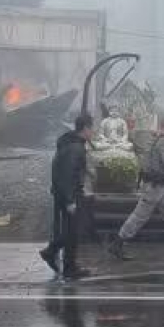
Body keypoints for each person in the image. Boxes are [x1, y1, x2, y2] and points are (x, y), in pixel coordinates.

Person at [108, 116, 164, 259]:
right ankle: (118, 243)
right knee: (139, 216)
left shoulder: (158, 139)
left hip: (158, 185)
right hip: (154, 186)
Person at [41, 113, 94, 280]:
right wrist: (71, 199)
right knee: (73, 230)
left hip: (63, 192)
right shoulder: (75, 148)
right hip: (69, 194)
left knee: (72, 230)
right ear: (85, 128)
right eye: (92, 129)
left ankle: (66, 263)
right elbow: (68, 174)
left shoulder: (70, 143)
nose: (93, 132)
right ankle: (57, 256)